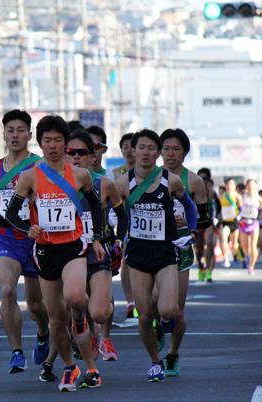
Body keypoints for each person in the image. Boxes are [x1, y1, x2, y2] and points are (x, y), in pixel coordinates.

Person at [5, 114, 106, 392]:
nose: (52, 146)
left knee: (75, 297)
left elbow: (96, 207)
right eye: (47, 140)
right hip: (46, 251)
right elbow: (11, 211)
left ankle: (80, 321)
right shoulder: (29, 177)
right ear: (40, 143)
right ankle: (73, 367)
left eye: (58, 140)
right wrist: (29, 227)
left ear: (65, 143)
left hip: (73, 247)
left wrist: (96, 236)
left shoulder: (80, 175)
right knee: (55, 319)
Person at [0, 109, 55, 380]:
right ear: (3, 135)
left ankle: (43, 334)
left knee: (37, 306)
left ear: (29, 135)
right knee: (6, 290)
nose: (15, 135)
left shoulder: (40, 165)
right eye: (10, 131)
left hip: (36, 238)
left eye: (20, 131)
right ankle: (16, 351)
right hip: (7, 237)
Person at [114, 129, 198, 382]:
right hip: (138, 257)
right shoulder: (122, 184)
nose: (146, 152)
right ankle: (155, 361)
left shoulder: (170, 181)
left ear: (158, 152)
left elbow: (189, 206)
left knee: (170, 309)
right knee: (144, 314)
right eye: (141, 147)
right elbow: (112, 215)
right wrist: (117, 238)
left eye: (152, 148)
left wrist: (190, 230)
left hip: (165, 254)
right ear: (133, 150)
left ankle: (173, 350)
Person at [66, 130, 128, 363]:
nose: (76, 157)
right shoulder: (53, 184)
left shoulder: (105, 184)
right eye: (71, 153)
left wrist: (119, 241)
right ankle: (89, 333)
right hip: (68, 250)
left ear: (92, 157)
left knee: (101, 309)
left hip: (99, 248)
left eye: (82, 153)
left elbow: (122, 216)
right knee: (76, 300)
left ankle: (103, 335)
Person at [159, 128, 210, 375]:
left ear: (184, 152)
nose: (170, 154)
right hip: (153, 246)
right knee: (151, 302)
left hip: (181, 249)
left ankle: (172, 353)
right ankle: (158, 325)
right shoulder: (148, 178)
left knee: (177, 309)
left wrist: (188, 228)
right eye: (166, 148)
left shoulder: (194, 181)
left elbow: (204, 219)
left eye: (176, 149)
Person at [112, 132, 136, 319]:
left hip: (146, 223)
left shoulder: (149, 172)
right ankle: (131, 301)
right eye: (124, 147)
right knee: (126, 261)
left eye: (131, 147)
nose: (128, 151)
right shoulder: (116, 174)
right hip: (126, 224)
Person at [238, 180, 262, 275]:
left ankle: (251, 267)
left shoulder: (259, 199)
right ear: (246, 186)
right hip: (243, 222)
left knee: (253, 245)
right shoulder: (242, 197)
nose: (250, 188)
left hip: (254, 222)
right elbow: (236, 206)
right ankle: (247, 256)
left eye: (252, 186)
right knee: (245, 246)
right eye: (249, 186)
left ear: (255, 187)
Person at [219, 178, 242, 267]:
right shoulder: (222, 196)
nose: (229, 186)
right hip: (225, 222)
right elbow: (219, 208)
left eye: (231, 184)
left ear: (234, 186)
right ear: (225, 186)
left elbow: (241, 208)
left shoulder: (237, 196)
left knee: (234, 244)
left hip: (234, 222)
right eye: (228, 184)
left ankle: (242, 258)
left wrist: (239, 215)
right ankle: (226, 259)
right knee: (224, 238)